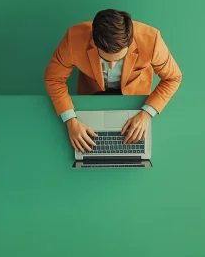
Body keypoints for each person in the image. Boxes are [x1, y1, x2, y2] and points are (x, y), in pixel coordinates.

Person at [45, 9, 182, 153]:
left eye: (119, 59)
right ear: (94, 42)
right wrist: (70, 121)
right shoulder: (73, 38)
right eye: (105, 59)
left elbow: (173, 77)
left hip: (135, 98)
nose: (112, 66)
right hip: (92, 94)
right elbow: (54, 78)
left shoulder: (152, 39)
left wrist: (147, 113)